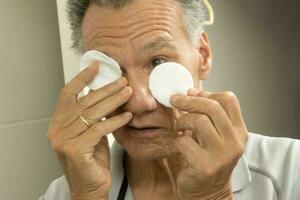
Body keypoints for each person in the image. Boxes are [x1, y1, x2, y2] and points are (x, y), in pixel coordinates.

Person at [40, 0, 300, 199]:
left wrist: (215, 196)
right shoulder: (67, 193)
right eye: (113, 70)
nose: (140, 102)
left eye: (158, 61)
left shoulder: (291, 169)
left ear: (203, 55)